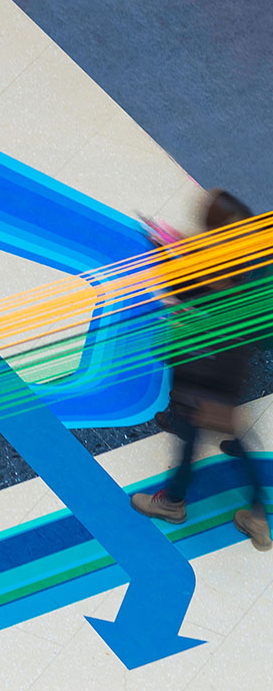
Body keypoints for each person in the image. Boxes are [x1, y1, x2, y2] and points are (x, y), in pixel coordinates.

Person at [132, 190, 270, 552]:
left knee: (192, 439)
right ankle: (257, 516)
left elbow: (181, 289)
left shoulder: (210, 269)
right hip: (226, 376)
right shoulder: (241, 265)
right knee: (230, 435)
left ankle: (173, 503)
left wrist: (163, 253)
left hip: (204, 374)